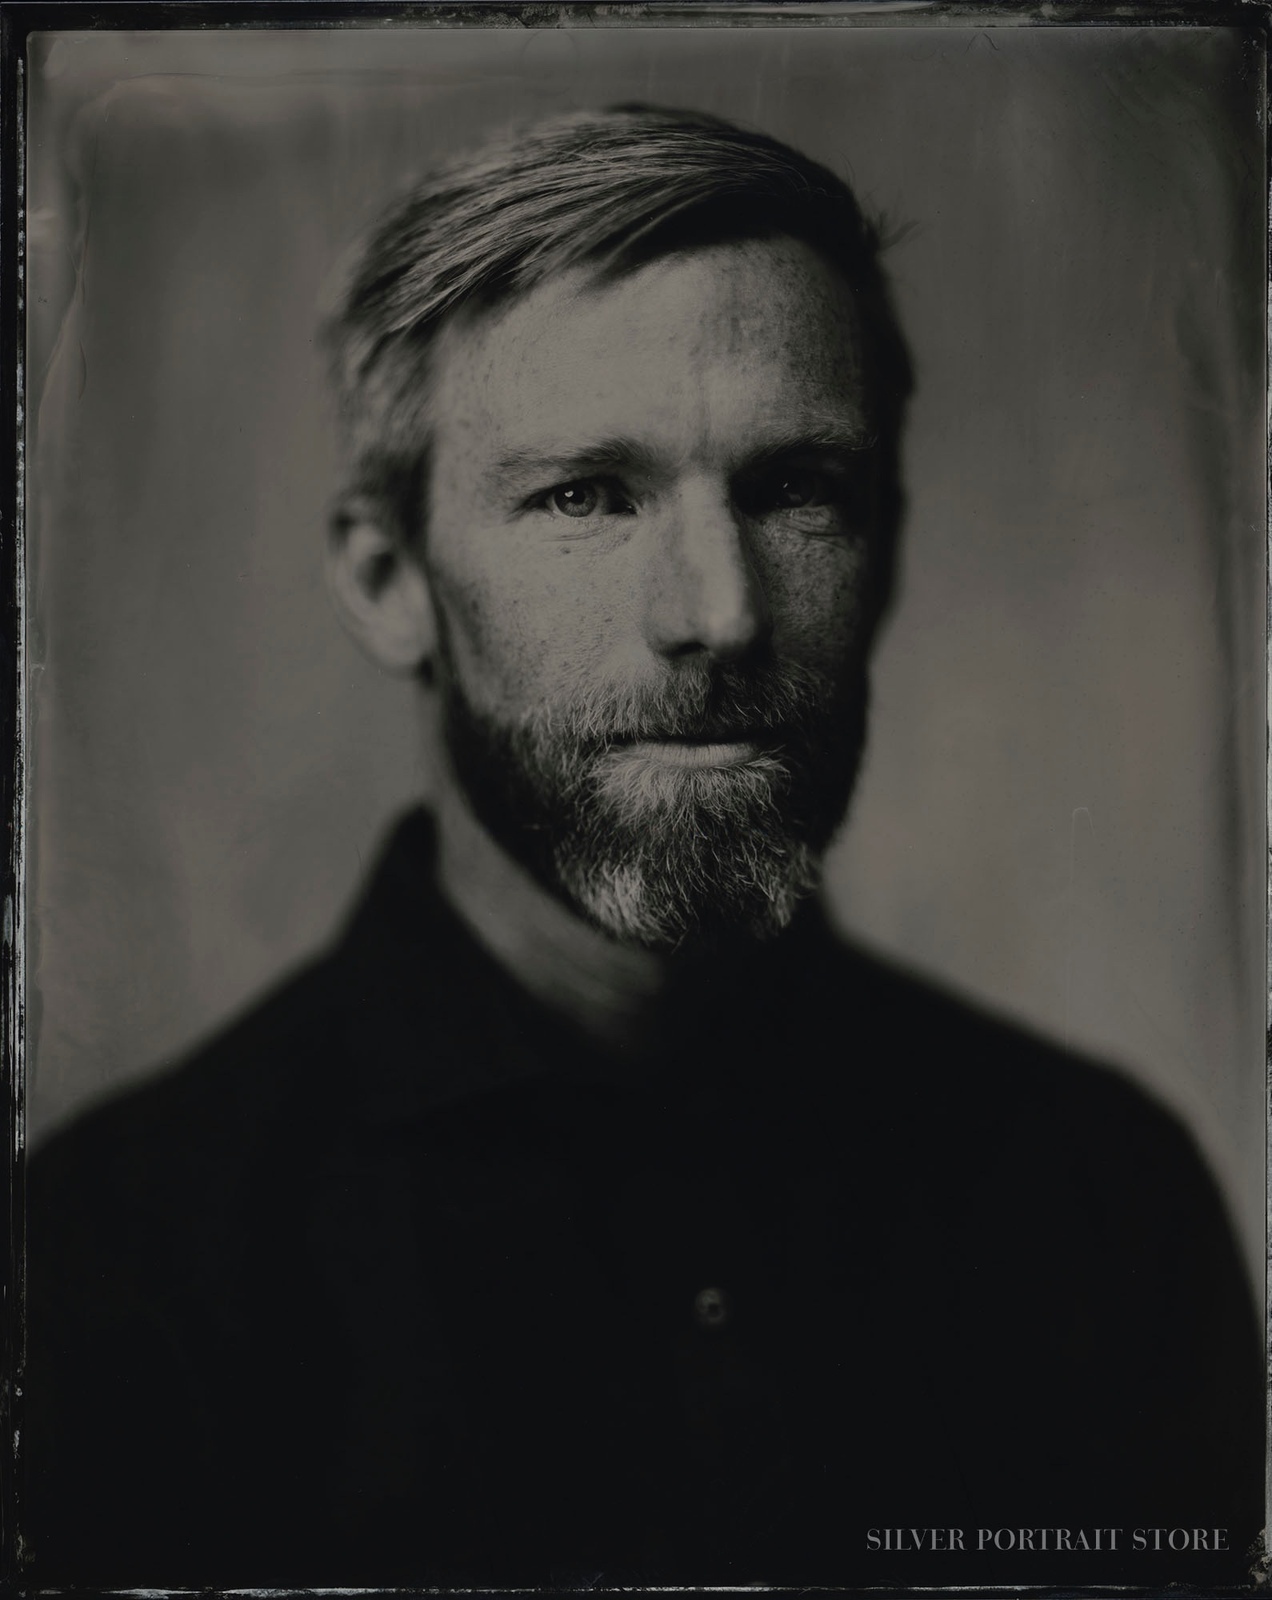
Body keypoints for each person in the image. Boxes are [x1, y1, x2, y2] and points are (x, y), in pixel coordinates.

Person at [23, 105, 1262, 1590]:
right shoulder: (107, 1276)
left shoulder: (1103, 1199)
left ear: (889, 543)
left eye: (797, 489)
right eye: (586, 497)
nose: (718, 613)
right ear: (388, 576)